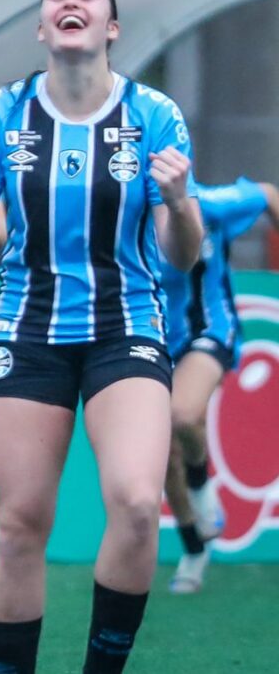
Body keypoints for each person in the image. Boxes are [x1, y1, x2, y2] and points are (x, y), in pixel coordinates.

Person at [0, 0, 203, 671]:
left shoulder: (154, 113)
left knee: (137, 505)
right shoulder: (1, 113)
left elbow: (181, 254)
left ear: (112, 26)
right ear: (42, 28)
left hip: (126, 326)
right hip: (29, 330)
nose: (70, 0)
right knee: (19, 528)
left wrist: (179, 201)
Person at [162, 177, 279, 594]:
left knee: (181, 414)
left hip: (210, 330)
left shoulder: (209, 204)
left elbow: (267, 193)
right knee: (162, 456)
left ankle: (200, 486)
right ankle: (194, 549)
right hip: (150, 339)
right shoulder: (122, 214)